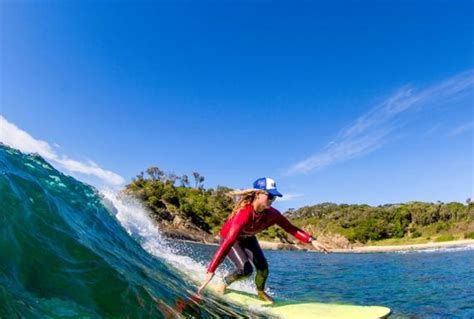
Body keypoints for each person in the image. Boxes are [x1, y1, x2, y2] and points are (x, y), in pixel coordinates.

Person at [197, 177, 330, 302]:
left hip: (248, 238)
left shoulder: (273, 214)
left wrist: (312, 240)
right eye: (270, 196)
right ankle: (224, 283)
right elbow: (229, 241)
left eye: (275, 197)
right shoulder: (244, 213)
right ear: (258, 194)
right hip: (231, 239)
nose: (272, 200)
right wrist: (211, 270)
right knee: (246, 270)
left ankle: (260, 291)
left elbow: (291, 228)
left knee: (263, 268)